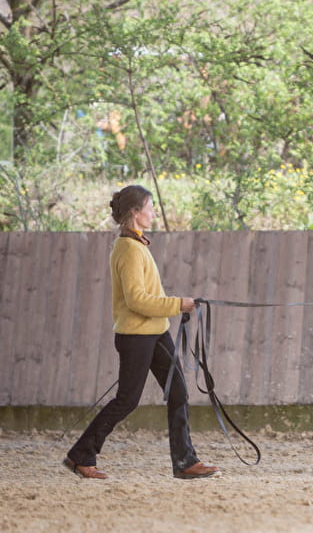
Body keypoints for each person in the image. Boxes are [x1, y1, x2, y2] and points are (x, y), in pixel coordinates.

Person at [63, 185, 219, 480]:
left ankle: (185, 461)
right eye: (150, 207)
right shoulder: (129, 250)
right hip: (137, 336)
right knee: (127, 400)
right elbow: (137, 300)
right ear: (135, 213)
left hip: (156, 332)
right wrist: (179, 304)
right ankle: (81, 454)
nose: (153, 213)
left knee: (178, 392)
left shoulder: (137, 245)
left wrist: (178, 306)